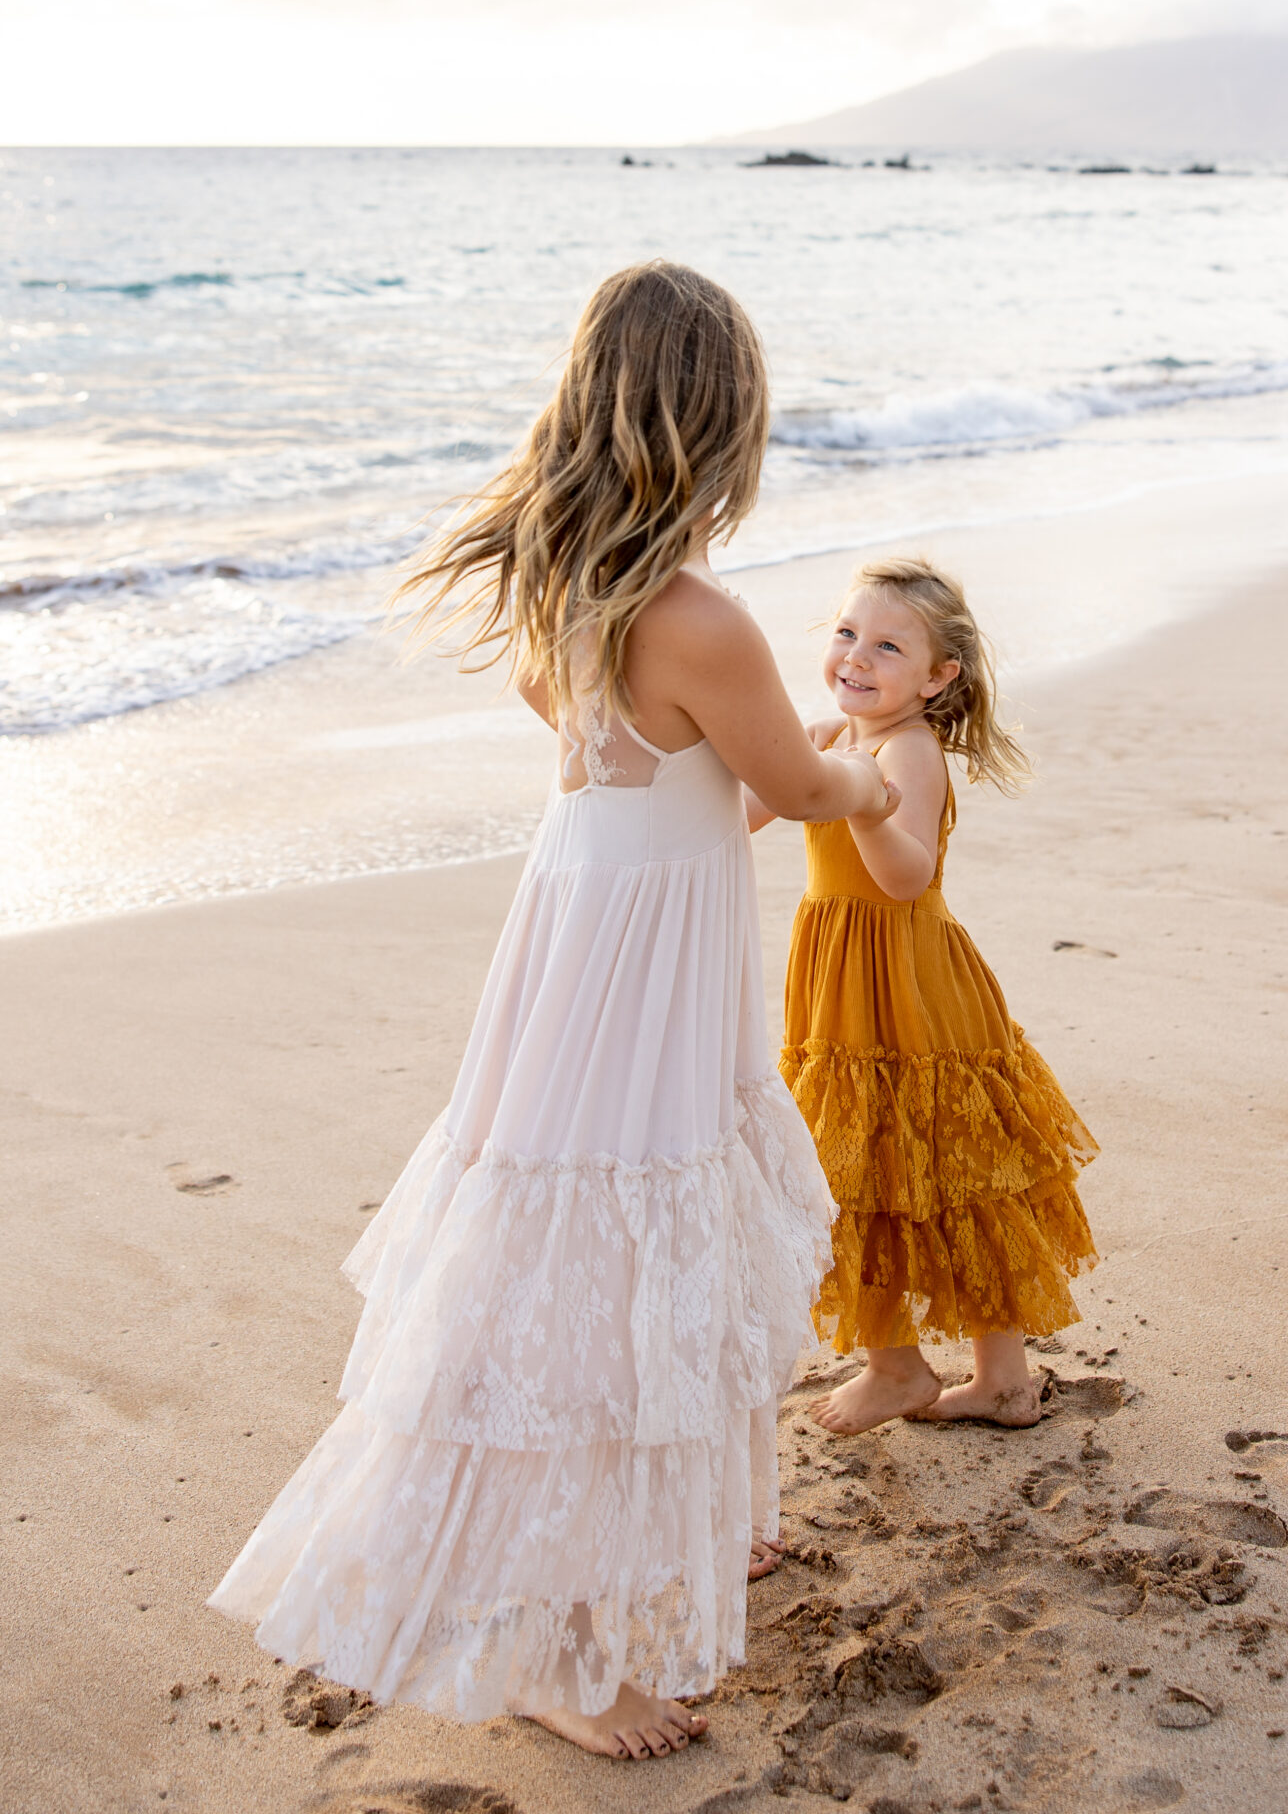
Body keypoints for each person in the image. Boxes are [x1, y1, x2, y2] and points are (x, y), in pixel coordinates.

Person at [209, 261, 895, 1760]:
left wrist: (765, 774)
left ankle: (659, 1535)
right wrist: (864, 767)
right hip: (642, 973)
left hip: (583, 936)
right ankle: (554, 1651)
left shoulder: (558, 581)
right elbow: (784, 790)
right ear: (719, 429)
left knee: (580, 1237)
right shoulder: (701, 619)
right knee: (613, 1254)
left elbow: (663, 775)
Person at [747, 557, 1098, 1436]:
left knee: (922, 1166)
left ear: (938, 677)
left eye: (887, 646)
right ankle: (996, 1381)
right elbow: (750, 804)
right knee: (898, 1167)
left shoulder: (906, 750)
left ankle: (904, 1371)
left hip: (901, 980)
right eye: (844, 634)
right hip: (841, 978)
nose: (856, 657)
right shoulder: (834, 736)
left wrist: (866, 807)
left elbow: (906, 878)